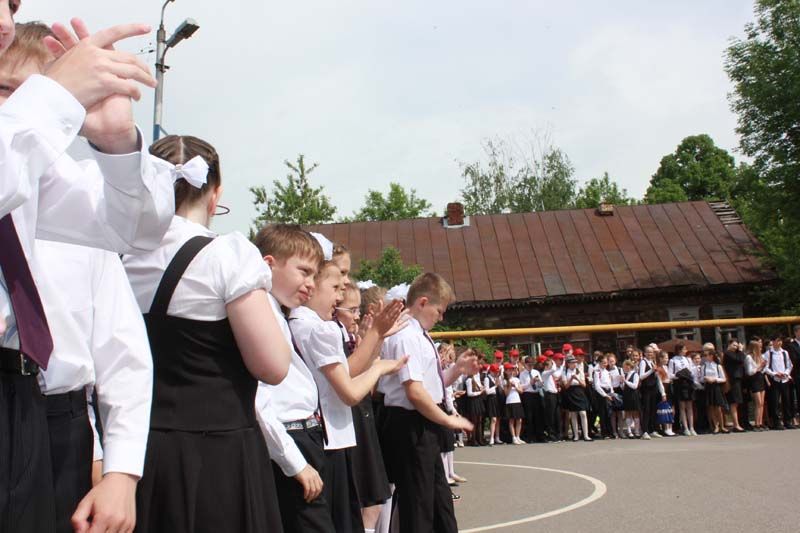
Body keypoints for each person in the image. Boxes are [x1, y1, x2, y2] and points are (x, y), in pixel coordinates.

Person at [1, 15, 174, 532]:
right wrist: (49, 98)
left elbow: (136, 228)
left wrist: (116, 143)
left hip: (43, 415)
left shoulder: (42, 168)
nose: (5, 20)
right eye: (8, 91)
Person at [123, 135, 292, 532]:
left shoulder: (122, 255)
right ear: (215, 195)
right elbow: (273, 366)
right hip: (218, 453)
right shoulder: (227, 256)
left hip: (137, 450)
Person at [289, 250, 407, 533]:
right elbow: (350, 390)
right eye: (335, 287)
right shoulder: (318, 328)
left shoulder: (303, 324)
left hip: (331, 435)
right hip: (328, 437)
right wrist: (378, 362)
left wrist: (377, 337)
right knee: (341, 520)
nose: (340, 295)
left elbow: (348, 369)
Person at [251, 224, 336, 533]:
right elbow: (258, 399)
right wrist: (294, 462)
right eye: (304, 272)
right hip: (289, 437)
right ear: (269, 264)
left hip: (301, 435)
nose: (311, 284)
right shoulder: (261, 312)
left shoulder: (276, 311)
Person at [379, 273, 477, 533]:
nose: (440, 318)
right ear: (422, 302)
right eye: (439, 310)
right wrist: (448, 419)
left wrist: (456, 370)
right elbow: (414, 391)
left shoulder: (419, 334)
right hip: (411, 424)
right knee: (419, 506)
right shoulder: (406, 335)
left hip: (424, 421)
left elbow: (430, 384)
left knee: (439, 501)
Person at [764, 335, 794, 430]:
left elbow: (789, 365)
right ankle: (777, 422)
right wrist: (774, 374)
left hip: (784, 379)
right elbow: (765, 367)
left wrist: (786, 373)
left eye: (780, 341)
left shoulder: (785, 352)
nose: (779, 343)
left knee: (786, 401)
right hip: (774, 380)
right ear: (773, 342)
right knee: (775, 402)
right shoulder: (768, 353)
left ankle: (787, 421)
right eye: (777, 341)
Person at [561, 355, 591, 442]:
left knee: (583, 413)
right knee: (573, 414)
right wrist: (571, 379)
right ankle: (576, 435)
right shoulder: (565, 372)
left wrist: (577, 378)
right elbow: (566, 386)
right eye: (572, 363)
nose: (574, 364)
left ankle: (586, 435)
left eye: (575, 362)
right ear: (568, 364)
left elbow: (584, 385)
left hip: (579, 391)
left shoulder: (579, 371)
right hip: (571, 392)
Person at [668, 343, 697, 436]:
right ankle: (685, 427)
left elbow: (692, 371)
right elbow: (670, 374)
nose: (686, 351)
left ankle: (692, 427)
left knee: (689, 406)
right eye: (684, 349)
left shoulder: (688, 359)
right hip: (679, 383)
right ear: (679, 350)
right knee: (682, 406)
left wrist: (689, 375)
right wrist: (679, 375)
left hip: (688, 383)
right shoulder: (673, 360)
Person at [639, 345, 665, 440]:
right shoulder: (643, 362)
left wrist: (663, 392)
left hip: (654, 388)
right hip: (646, 389)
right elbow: (641, 376)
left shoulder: (653, 362)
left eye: (651, 352)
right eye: (648, 352)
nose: (650, 354)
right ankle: (645, 431)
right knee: (646, 410)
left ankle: (652, 429)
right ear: (645, 353)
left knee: (653, 409)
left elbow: (657, 377)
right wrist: (651, 370)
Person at [701, 345, 728, 434]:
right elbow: (701, 379)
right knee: (711, 407)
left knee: (718, 407)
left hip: (716, 387)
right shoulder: (704, 366)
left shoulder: (717, 366)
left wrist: (714, 379)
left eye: (707, 355)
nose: (705, 357)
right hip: (708, 387)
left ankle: (722, 426)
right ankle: (715, 426)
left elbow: (723, 379)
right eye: (704, 355)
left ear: (711, 356)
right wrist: (705, 378)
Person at [723, 340, 746, 432]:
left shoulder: (736, 354)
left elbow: (742, 359)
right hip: (732, 380)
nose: (736, 347)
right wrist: (740, 350)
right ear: (729, 345)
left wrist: (740, 351)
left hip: (738, 379)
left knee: (737, 402)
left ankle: (739, 423)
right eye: (734, 345)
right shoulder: (728, 353)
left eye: (737, 345)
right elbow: (739, 359)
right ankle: (736, 424)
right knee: (734, 402)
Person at [744, 340, 768, 431]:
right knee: (758, 403)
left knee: (762, 403)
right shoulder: (749, 357)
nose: (760, 349)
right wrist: (759, 366)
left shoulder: (760, 356)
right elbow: (749, 372)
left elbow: (763, 370)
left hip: (761, 378)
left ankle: (760, 423)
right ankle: (756, 424)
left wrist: (763, 366)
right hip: (754, 380)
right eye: (759, 347)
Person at [520, 356, 544, 443]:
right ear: (525, 365)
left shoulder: (536, 372)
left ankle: (539, 436)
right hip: (527, 395)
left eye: (532, 365)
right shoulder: (522, 374)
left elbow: (541, 385)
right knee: (529, 416)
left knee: (538, 415)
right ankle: (530, 436)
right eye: (529, 365)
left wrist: (539, 382)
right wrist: (530, 383)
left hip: (536, 394)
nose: (530, 367)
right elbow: (522, 386)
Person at [541, 355, 562, 442]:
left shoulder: (551, 375)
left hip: (555, 394)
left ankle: (558, 434)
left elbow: (558, 373)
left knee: (557, 415)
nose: (552, 365)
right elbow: (553, 369)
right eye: (551, 364)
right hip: (549, 395)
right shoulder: (544, 373)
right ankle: (551, 434)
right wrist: (553, 361)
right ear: (546, 366)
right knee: (550, 415)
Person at [503, 362, 525, 444]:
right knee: (511, 420)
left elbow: (521, 391)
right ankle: (513, 437)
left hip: (517, 400)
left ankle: (518, 436)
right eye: (509, 370)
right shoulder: (505, 381)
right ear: (505, 371)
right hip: (510, 401)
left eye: (512, 369)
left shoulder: (516, 379)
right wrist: (509, 386)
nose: (511, 371)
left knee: (519, 420)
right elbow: (506, 394)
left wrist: (515, 386)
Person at [621, 360, 641, 438]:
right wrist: (622, 382)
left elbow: (635, 386)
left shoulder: (635, 374)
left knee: (635, 413)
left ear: (629, 366)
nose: (624, 368)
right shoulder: (625, 375)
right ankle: (629, 431)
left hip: (633, 395)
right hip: (627, 395)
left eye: (625, 366)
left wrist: (625, 381)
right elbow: (623, 387)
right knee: (628, 413)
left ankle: (637, 431)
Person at [484, 364, 502, 445]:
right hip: (491, 399)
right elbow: (487, 391)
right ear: (490, 371)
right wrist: (495, 386)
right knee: (493, 419)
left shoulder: (497, 378)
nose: (496, 373)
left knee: (498, 419)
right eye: (495, 372)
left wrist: (499, 385)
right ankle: (491, 438)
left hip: (497, 399)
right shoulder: (487, 379)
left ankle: (497, 437)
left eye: (497, 372)